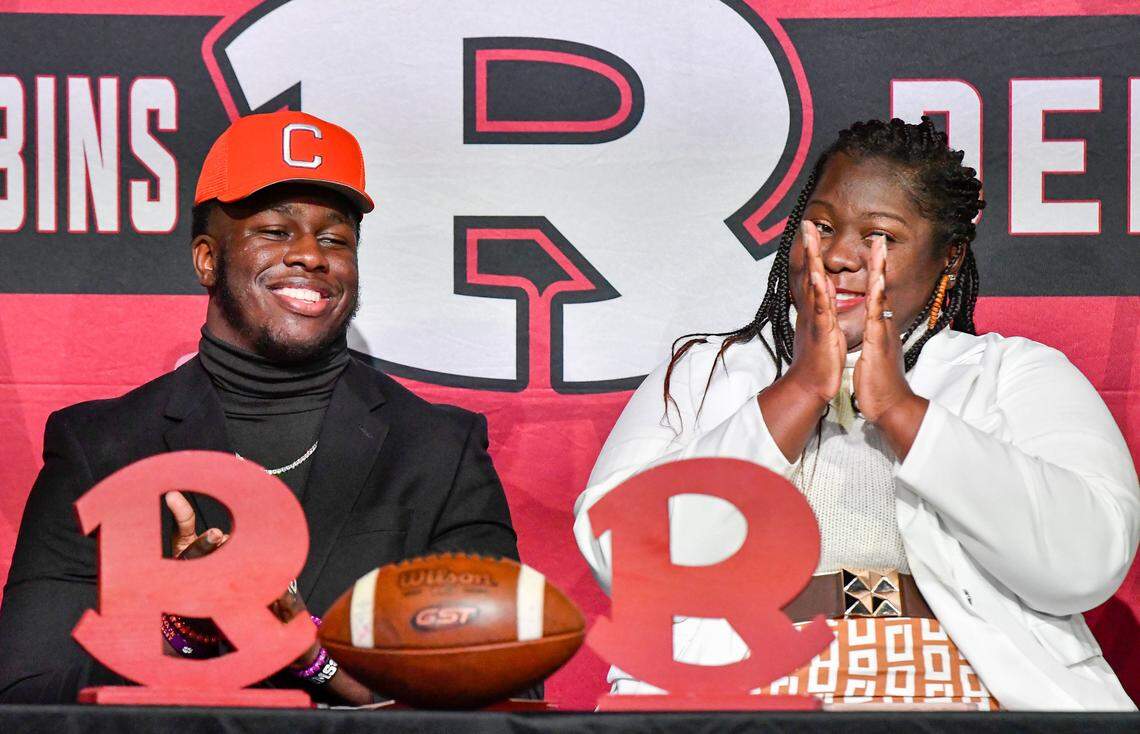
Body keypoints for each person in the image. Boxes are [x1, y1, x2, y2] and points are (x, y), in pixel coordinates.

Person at [573, 118, 1139, 710]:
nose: (840, 255)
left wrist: (902, 411)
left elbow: (1086, 560)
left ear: (949, 256)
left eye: (882, 237)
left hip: (965, 694)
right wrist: (796, 393)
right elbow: (627, 561)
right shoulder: (703, 372)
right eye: (821, 225)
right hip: (731, 691)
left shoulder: (1013, 375)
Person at [0, 111, 520, 704]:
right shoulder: (103, 450)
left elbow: (508, 684)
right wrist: (183, 635)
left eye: (334, 239)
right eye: (275, 230)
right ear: (206, 260)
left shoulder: (436, 451)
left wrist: (314, 659)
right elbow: (25, 691)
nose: (309, 255)